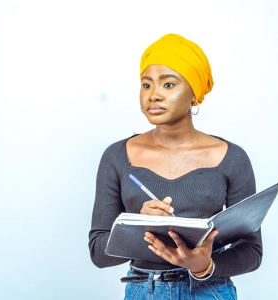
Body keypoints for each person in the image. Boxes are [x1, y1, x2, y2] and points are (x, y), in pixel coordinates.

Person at [88, 33, 261, 299]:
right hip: (144, 290)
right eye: (146, 85)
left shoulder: (232, 158)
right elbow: (99, 253)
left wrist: (205, 266)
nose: (154, 95)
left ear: (194, 94)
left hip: (210, 291)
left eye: (168, 85)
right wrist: (139, 227)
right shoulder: (117, 156)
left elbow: (251, 251)